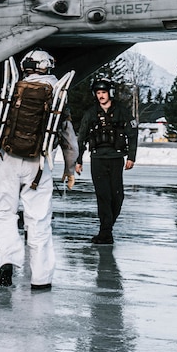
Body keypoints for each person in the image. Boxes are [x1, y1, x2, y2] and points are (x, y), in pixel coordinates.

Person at [0, 49, 78, 291]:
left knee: (3, 213)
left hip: (8, 159)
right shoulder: (56, 94)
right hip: (40, 162)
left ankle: (8, 257)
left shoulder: (12, 90)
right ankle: (41, 278)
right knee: (39, 221)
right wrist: (69, 168)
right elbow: (68, 136)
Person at [75, 79, 138, 244]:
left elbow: (132, 134)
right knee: (103, 196)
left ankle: (107, 228)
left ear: (110, 93)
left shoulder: (122, 112)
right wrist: (78, 160)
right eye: (98, 93)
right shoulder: (91, 113)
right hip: (97, 159)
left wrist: (131, 156)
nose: (101, 96)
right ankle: (105, 233)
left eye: (103, 92)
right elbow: (81, 137)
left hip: (116, 158)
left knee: (118, 197)